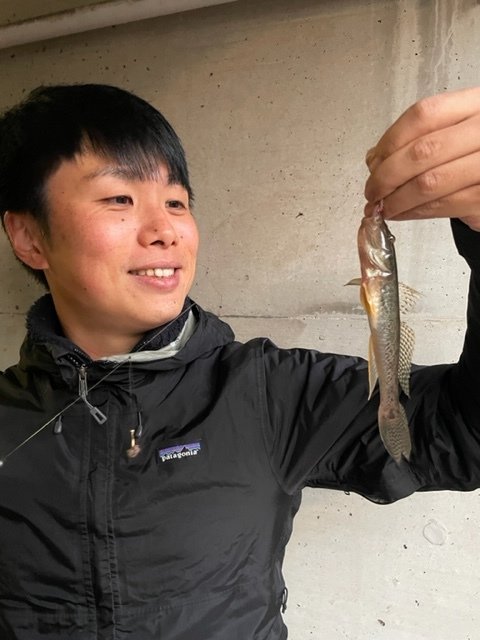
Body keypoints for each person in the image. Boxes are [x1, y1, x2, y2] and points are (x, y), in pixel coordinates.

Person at [0, 83, 478, 640]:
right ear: (29, 237)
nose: (166, 230)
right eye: (119, 199)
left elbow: (462, 435)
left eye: (176, 202)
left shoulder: (268, 391)